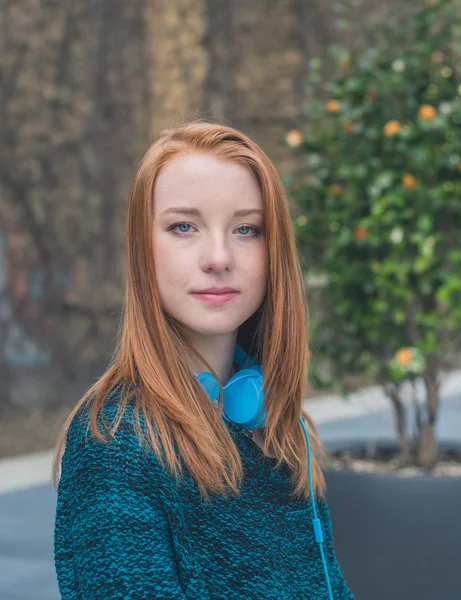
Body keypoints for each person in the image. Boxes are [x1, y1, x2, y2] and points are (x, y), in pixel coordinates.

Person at [52, 121, 354, 600]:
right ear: (142, 250)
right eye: (184, 226)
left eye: (246, 229)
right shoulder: (115, 445)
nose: (218, 257)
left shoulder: (283, 426)